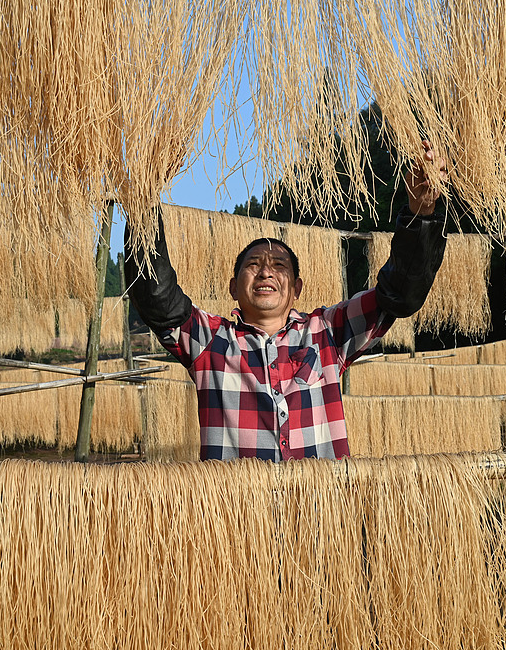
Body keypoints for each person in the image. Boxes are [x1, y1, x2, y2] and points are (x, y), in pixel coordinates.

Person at [126, 141, 451, 461]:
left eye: (279, 265)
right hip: (237, 512)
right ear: (233, 288)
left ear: (296, 288)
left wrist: (420, 214)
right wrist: (143, 204)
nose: (266, 272)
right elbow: (158, 299)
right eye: (253, 265)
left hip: (321, 511)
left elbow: (398, 295)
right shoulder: (210, 342)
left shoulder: (328, 332)